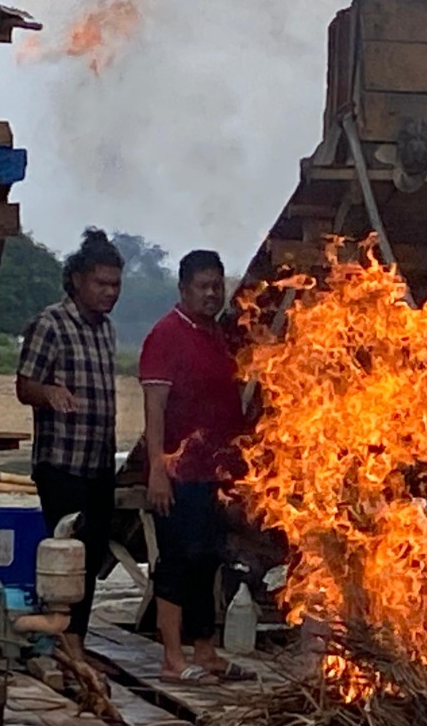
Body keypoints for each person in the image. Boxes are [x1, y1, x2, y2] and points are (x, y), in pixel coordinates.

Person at [138, 249, 251, 684]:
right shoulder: (166, 335)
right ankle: (172, 658)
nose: (211, 294)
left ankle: (205, 652)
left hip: (214, 474)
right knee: (177, 561)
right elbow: (155, 407)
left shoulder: (217, 335)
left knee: (209, 561)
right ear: (183, 289)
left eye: (216, 286)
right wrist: (157, 469)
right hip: (178, 473)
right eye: (202, 287)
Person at [15, 229, 124, 658]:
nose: (109, 293)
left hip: (98, 462)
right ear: (78, 280)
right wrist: (50, 394)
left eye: (115, 285)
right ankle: (63, 642)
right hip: (62, 463)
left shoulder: (107, 331)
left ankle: (74, 638)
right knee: (67, 552)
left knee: (93, 554)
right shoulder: (51, 324)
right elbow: (25, 386)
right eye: (101, 283)